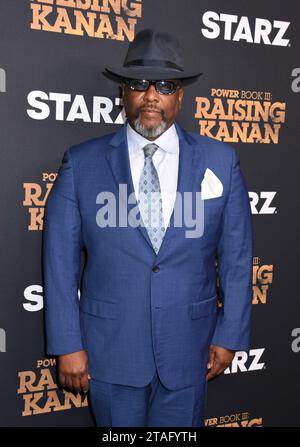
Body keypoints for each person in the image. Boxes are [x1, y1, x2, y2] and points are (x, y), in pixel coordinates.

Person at [43, 29, 253, 427]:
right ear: (123, 93)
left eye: (165, 85)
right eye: (139, 84)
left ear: (180, 96)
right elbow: (59, 263)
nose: (151, 95)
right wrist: (67, 344)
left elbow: (238, 259)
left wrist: (230, 335)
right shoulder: (81, 163)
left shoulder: (221, 161)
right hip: (110, 350)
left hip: (189, 351)